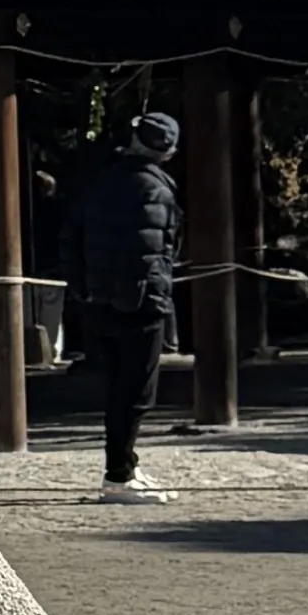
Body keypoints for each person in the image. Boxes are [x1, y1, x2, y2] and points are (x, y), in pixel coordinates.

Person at [61, 105, 184, 490]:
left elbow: (71, 240)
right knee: (136, 392)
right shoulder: (158, 189)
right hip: (142, 301)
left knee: (117, 387)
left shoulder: (100, 183)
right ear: (167, 151)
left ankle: (126, 464)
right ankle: (119, 474)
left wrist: (82, 288)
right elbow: (161, 250)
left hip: (99, 299)